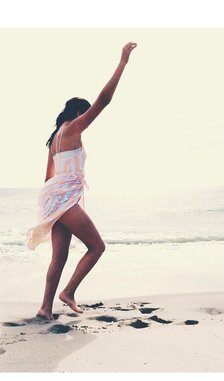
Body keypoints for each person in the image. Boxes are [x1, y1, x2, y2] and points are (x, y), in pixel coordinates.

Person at [25, 42, 138, 320]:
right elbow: (104, 101)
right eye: (85, 115)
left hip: (53, 196)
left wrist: (55, 206)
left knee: (59, 257)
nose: (87, 121)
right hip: (62, 198)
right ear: (78, 114)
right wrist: (122, 63)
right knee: (97, 247)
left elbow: (48, 177)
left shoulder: (55, 138)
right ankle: (68, 292)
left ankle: (45, 309)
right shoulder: (73, 128)